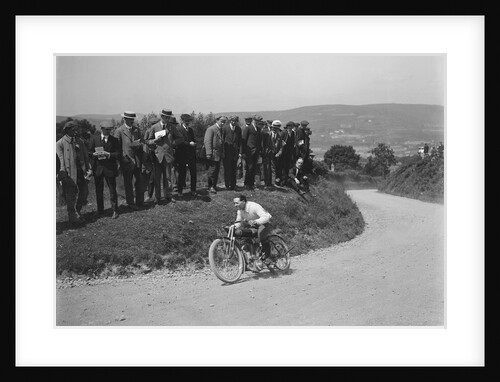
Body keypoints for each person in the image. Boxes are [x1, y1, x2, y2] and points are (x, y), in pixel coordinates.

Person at [56, 120, 91, 223]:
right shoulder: (60, 144)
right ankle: (72, 217)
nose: (76, 132)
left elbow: (85, 156)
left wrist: (89, 168)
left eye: (77, 129)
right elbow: (60, 161)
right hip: (69, 174)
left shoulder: (79, 141)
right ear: (67, 130)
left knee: (84, 192)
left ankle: (78, 211)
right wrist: (62, 176)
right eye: (74, 129)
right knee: (71, 196)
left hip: (81, 172)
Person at [88, 121, 120, 219]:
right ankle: (100, 210)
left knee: (112, 190)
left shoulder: (114, 140)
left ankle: (115, 210)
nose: (108, 131)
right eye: (106, 129)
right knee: (99, 190)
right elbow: (89, 152)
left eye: (110, 129)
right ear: (101, 129)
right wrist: (93, 155)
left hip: (110, 168)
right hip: (98, 168)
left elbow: (118, 154)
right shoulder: (94, 139)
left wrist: (109, 154)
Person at [113, 111, 144, 210]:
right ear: (125, 119)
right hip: (126, 160)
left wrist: (139, 145)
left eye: (132, 119)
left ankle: (140, 202)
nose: (131, 121)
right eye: (130, 119)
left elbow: (141, 141)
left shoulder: (136, 130)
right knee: (128, 183)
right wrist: (122, 157)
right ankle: (130, 203)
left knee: (139, 181)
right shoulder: (119, 131)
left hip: (137, 159)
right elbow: (116, 147)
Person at [146, 109, 176, 204]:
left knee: (167, 177)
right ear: (161, 117)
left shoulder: (172, 127)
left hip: (168, 156)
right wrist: (154, 140)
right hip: (157, 156)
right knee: (157, 178)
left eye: (168, 117)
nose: (167, 119)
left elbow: (180, 138)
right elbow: (147, 141)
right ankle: (157, 197)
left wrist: (172, 143)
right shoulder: (154, 127)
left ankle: (168, 195)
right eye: (165, 117)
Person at [232, 194, 273, 264]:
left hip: (265, 223)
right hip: (254, 225)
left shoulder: (253, 206)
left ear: (243, 201)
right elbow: (239, 222)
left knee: (261, 235)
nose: (235, 205)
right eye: (234, 203)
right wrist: (233, 227)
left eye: (237, 203)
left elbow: (266, 217)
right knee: (246, 236)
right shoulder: (240, 211)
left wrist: (256, 221)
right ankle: (253, 256)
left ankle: (268, 257)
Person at [173, 113, 198, 197]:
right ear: (182, 120)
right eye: (186, 121)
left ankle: (193, 190)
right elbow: (178, 142)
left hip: (191, 155)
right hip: (182, 155)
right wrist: (189, 144)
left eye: (189, 121)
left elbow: (193, 139)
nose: (187, 122)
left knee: (193, 173)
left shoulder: (190, 130)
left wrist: (194, 144)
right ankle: (180, 191)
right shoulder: (178, 129)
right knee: (182, 174)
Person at [204, 115, 227, 193]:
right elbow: (208, 141)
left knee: (217, 170)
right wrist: (208, 153)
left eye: (224, 122)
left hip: (218, 153)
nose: (223, 123)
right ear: (217, 120)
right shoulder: (211, 129)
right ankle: (210, 186)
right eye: (221, 121)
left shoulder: (221, 129)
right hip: (213, 153)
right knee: (212, 171)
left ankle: (214, 185)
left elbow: (221, 142)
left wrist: (222, 152)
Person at [241, 115, 262, 190]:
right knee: (249, 168)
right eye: (257, 121)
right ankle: (246, 184)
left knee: (253, 168)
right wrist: (243, 152)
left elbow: (259, 141)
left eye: (259, 121)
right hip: (249, 151)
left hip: (256, 152)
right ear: (254, 120)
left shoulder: (258, 129)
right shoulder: (248, 128)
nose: (258, 122)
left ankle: (251, 184)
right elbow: (243, 140)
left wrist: (259, 151)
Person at [142, 116, 160, 203]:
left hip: (158, 155)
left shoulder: (160, 131)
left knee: (156, 177)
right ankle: (149, 195)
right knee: (151, 177)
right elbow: (145, 142)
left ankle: (156, 195)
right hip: (150, 155)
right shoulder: (148, 131)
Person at [222, 115, 242, 191]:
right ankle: (227, 185)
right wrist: (223, 151)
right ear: (230, 121)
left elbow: (240, 142)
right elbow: (222, 140)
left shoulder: (238, 129)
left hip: (235, 153)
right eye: (232, 121)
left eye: (235, 121)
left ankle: (233, 185)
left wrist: (240, 152)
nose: (233, 122)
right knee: (227, 169)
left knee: (234, 169)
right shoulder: (225, 128)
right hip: (227, 152)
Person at [279, 121, 295, 187]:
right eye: (290, 126)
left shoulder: (293, 133)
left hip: (289, 152)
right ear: (288, 126)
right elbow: (280, 140)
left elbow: (292, 142)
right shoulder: (284, 132)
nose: (291, 128)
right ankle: (281, 181)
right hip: (283, 152)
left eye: (292, 126)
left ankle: (285, 180)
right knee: (282, 166)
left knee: (287, 167)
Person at [238, 116, 253, 183]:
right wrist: (241, 151)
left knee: (249, 166)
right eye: (247, 120)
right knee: (244, 166)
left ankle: (248, 180)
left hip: (251, 150)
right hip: (244, 150)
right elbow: (242, 140)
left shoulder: (253, 128)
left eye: (250, 120)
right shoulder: (242, 128)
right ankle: (244, 180)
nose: (248, 121)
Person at [260, 118, 274, 189]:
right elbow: (262, 143)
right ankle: (264, 182)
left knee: (268, 167)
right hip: (263, 151)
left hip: (268, 152)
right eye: (269, 123)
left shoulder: (269, 131)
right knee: (264, 167)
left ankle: (268, 182)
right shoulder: (264, 131)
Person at [270, 120, 284, 186]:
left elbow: (281, 147)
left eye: (277, 128)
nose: (275, 129)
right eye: (274, 128)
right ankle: (269, 182)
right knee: (268, 168)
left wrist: (279, 153)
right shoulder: (268, 135)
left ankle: (273, 183)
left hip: (276, 155)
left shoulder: (279, 136)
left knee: (274, 168)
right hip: (268, 154)